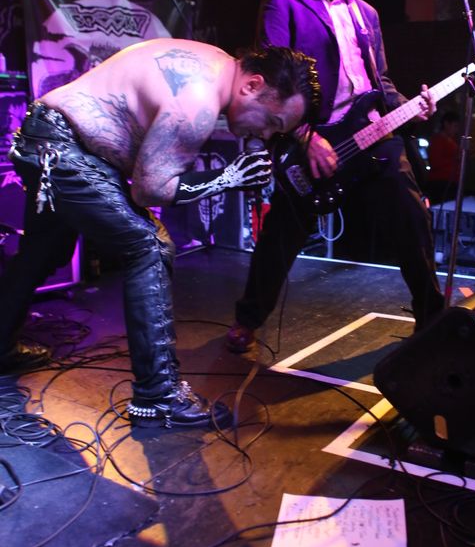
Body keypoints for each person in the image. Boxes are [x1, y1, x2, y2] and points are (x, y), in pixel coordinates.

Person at [0, 40, 320, 428]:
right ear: (253, 85)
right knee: (149, 245)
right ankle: (158, 397)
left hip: (46, 138)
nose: (266, 134)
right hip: (64, 149)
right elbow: (150, 190)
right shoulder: (198, 98)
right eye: (272, 122)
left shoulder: (214, 66)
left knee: (43, 249)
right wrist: (227, 177)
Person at [226, 0, 444, 353]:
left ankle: (433, 319)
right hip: (314, 139)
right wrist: (305, 136)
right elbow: (271, 80)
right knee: (282, 233)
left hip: (372, 134)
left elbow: (380, 81)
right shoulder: (282, 3)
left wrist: (411, 106)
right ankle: (248, 320)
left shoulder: (367, 14)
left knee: (411, 217)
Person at [427, 109, 461, 204]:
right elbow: (434, 162)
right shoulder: (438, 140)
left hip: (450, 181)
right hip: (441, 183)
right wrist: (455, 159)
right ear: (446, 124)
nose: (456, 130)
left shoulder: (450, 140)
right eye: (455, 126)